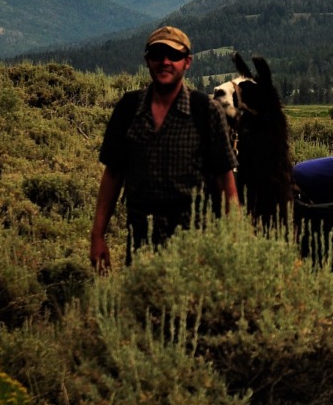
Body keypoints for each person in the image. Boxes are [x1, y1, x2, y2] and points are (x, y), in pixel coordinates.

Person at [90, 26, 238, 272]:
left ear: (187, 62)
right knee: (143, 307)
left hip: (194, 242)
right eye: (157, 55)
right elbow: (113, 175)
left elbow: (225, 180)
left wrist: (236, 240)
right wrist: (97, 235)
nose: (165, 62)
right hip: (140, 240)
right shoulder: (128, 109)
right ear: (147, 60)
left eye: (174, 56)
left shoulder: (205, 111)